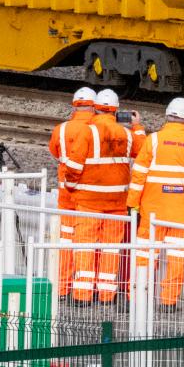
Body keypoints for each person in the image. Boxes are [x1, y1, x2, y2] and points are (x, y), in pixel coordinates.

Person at [127, 97, 184, 307]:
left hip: (152, 210)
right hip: (180, 213)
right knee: (176, 257)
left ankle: (137, 299)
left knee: (144, 255)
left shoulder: (153, 140)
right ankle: (168, 302)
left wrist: (132, 204)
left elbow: (138, 174)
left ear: (167, 115)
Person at [63, 87, 135, 303]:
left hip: (89, 201)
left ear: (95, 109)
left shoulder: (88, 132)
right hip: (117, 201)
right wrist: (138, 126)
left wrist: (71, 186)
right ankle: (106, 295)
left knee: (85, 244)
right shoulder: (127, 134)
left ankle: (82, 296)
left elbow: (74, 165)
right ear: (116, 111)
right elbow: (142, 150)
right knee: (111, 247)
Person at [48, 87, 98, 292]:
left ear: (74, 106)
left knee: (66, 239)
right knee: (87, 240)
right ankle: (85, 289)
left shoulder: (61, 129)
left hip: (66, 193)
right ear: (94, 107)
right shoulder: (97, 129)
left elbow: (54, 151)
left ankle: (62, 287)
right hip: (89, 194)